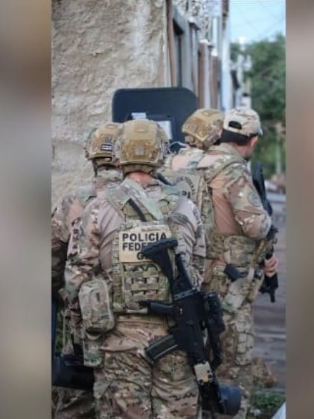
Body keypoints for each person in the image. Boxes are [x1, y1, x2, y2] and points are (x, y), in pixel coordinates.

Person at [64, 119, 206, 419]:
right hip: (176, 334)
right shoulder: (186, 207)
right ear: (161, 154)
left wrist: (81, 334)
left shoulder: (98, 208)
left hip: (118, 338)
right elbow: (198, 271)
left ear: (119, 153)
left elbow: (78, 276)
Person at [195, 107, 278, 419]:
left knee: (198, 361)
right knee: (232, 365)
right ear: (253, 140)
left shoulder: (191, 162)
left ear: (220, 134)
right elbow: (256, 226)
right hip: (226, 285)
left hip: (192, 276)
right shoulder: (233, 171)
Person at [51, 122, 124, 419]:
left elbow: (51, 260)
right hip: (138, 319)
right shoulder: (147, 200)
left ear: (91, 157)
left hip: (86, 315)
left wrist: (64, 298)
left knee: (77, 398)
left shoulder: (75, 201)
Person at [160, 108, 224, 273]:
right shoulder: (220, 164)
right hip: (205, 256)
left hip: (169, 249)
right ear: (217, 134)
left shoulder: (165, 163)